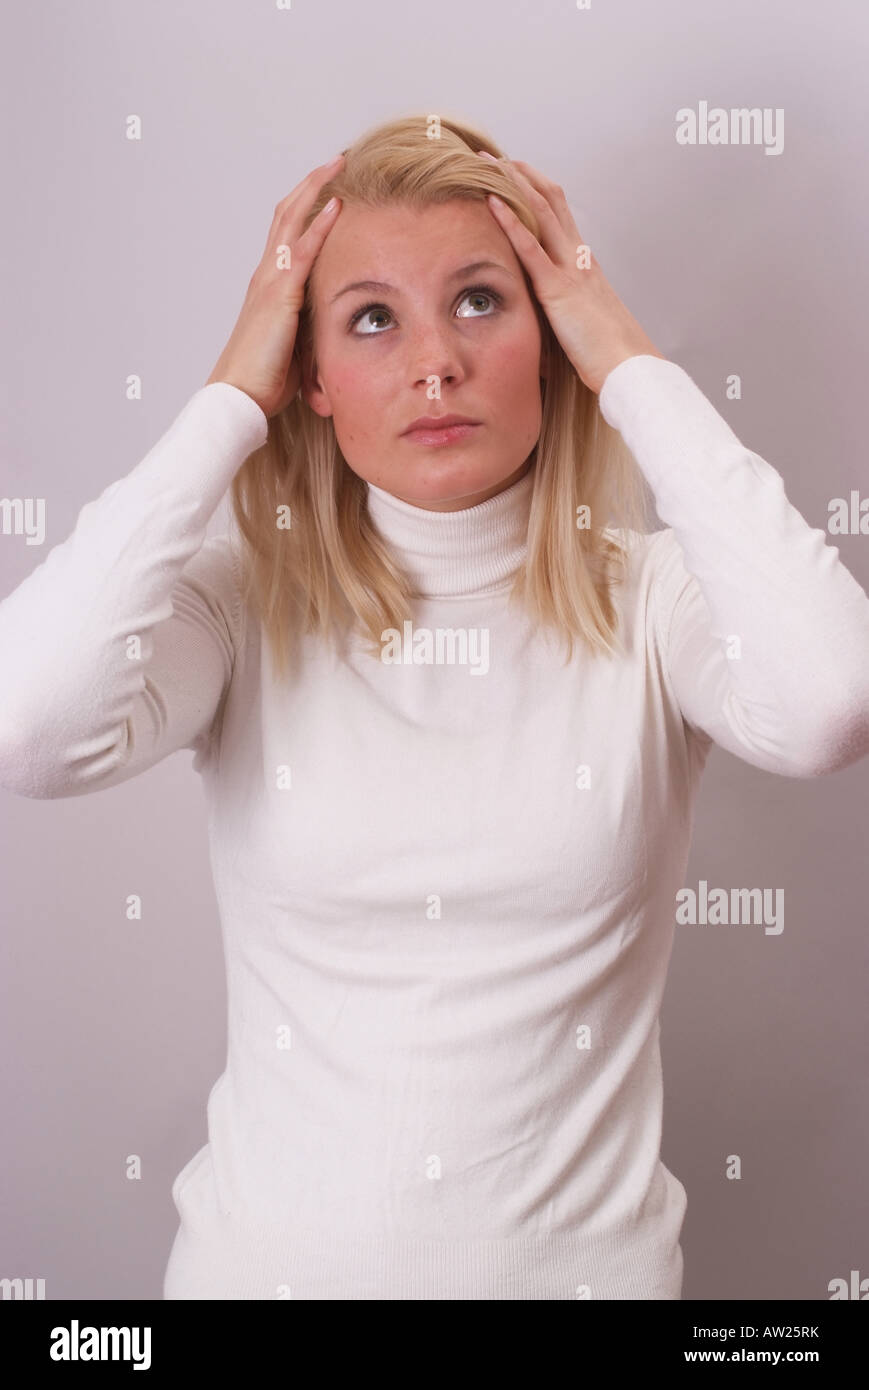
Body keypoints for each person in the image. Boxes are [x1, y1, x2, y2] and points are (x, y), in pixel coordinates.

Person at [1, 114, 868, 1301]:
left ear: (546, 337)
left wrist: (625, 361)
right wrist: (225, 399)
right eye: (369, 318)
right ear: (308, 373)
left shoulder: (655, 597)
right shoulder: (242, 604)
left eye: (477, 302)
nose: (433, 365)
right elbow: (27, 730)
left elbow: (829, 703)